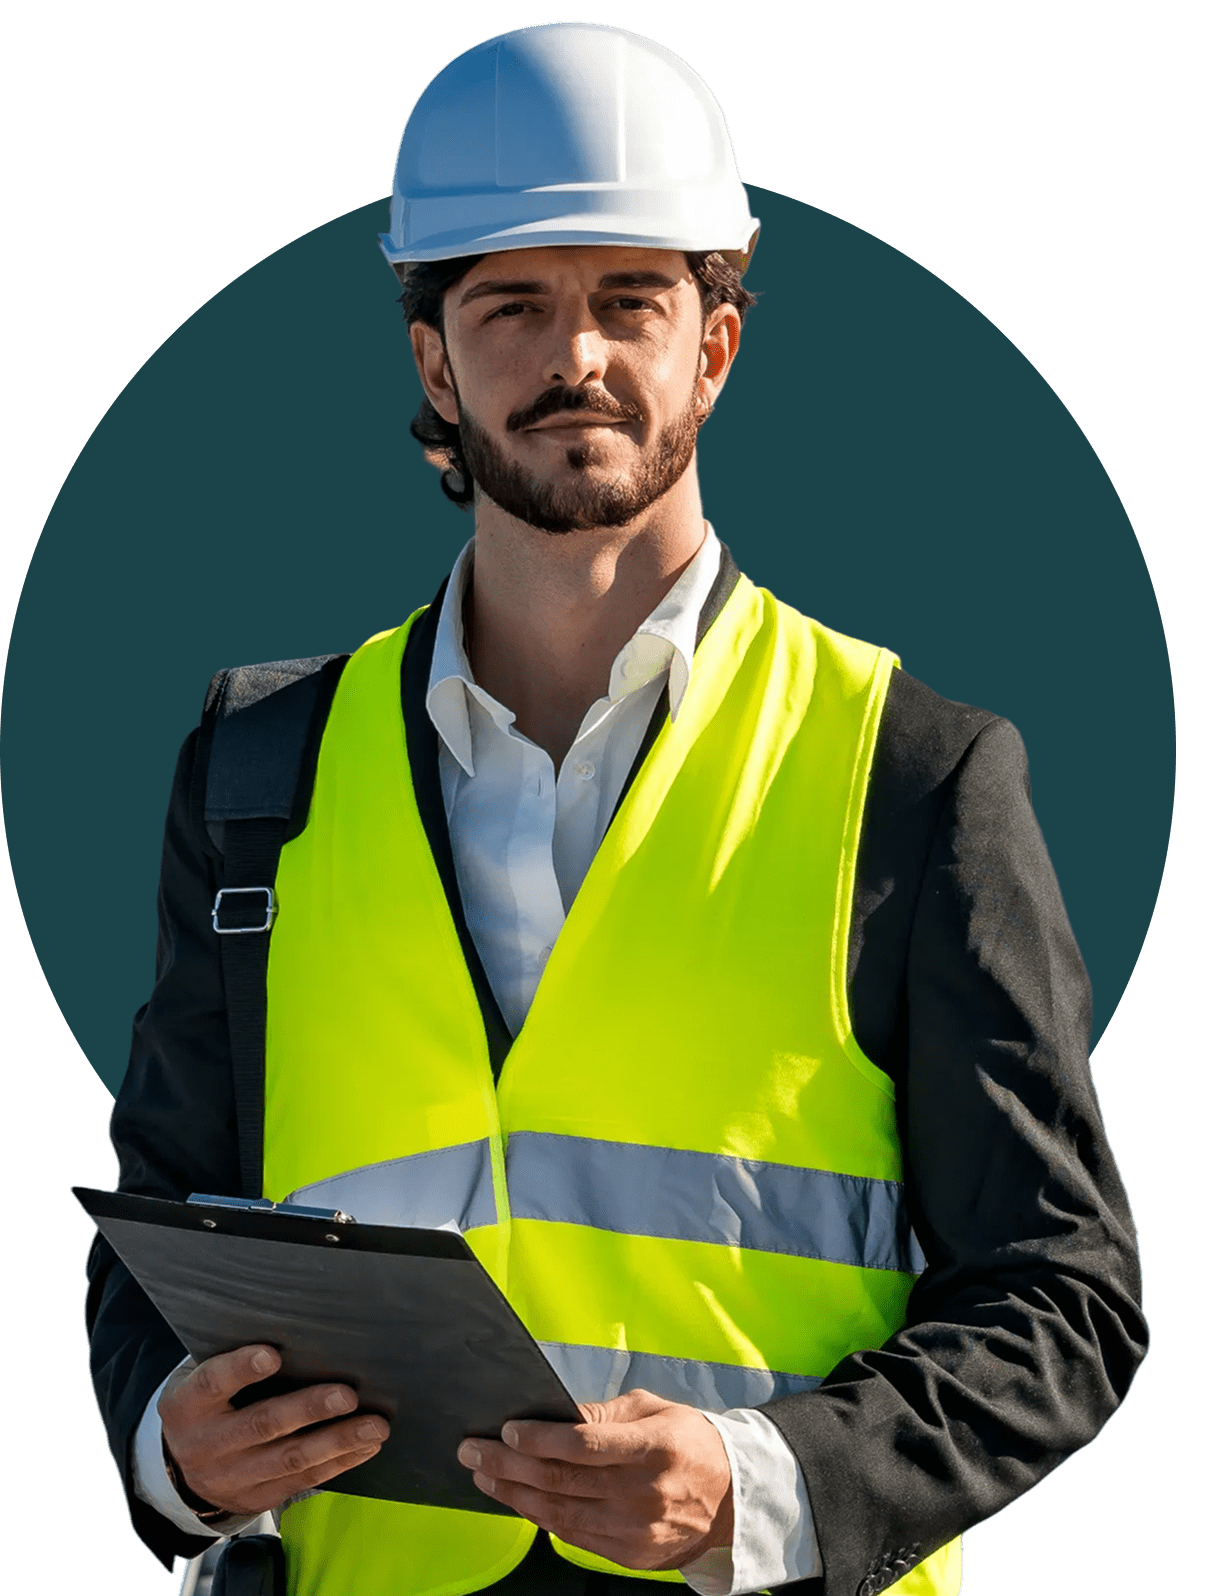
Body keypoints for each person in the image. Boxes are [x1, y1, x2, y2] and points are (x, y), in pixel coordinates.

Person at [85, 22, 1147, 1596]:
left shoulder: (908, 769)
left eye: (628, 302)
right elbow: (162, 1221)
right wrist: (172, 1454)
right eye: (510, 304)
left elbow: (1063, 1300)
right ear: (432, 357)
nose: (572, 356)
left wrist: (764, 1483)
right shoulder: (261, 773)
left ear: (712, 346)